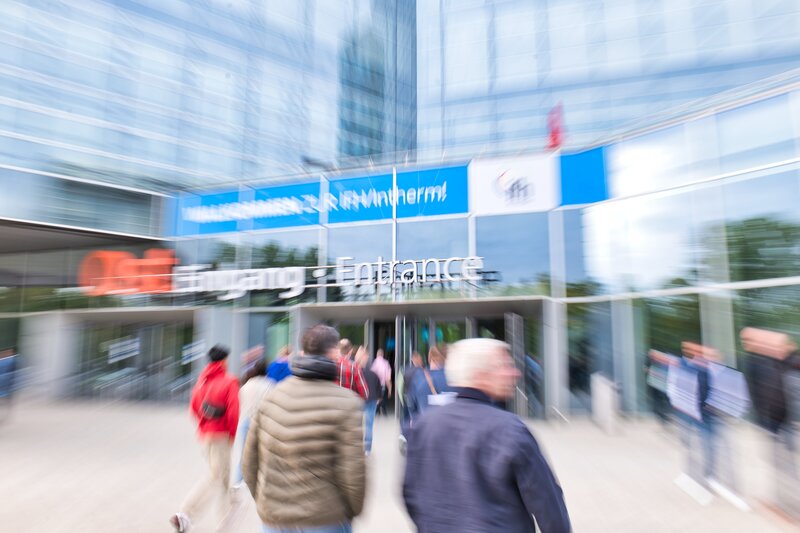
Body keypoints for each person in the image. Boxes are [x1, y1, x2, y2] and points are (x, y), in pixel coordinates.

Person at [403, 339, 571, 533]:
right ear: (480, 375)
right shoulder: (510, 430)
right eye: (505, 365)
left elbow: (410, 494)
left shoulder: (424, 425)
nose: (515, 373)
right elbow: (547, 505)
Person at [243, 324, 366, 533]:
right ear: (335, 353)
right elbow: (353, 472)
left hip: (275, 519)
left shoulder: (271, 397)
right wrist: (350, 512)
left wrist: (267, 503)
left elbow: (249, 463)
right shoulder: (347, 403)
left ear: (302, 352)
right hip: (324, 518)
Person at [171, 345, 240, 533]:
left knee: (223, 476)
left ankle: (226, 519)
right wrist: (232, 434)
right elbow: (233, 412)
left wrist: (203, 426)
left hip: (206, 436)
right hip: (221, 435)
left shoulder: (202, 381)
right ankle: (185, 513)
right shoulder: (229, 381)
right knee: (216, 475)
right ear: (224, 361)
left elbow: (194, 408)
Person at [231, 359, 273, 487]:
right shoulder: (269, 384)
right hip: (263, 422)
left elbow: (239, 403)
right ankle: (261, 480)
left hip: (245, 421)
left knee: (244, 452)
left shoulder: (246, 385)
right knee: (263, 452)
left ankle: (238, 480)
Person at [406, 346, 451, 425]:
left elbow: (412, 409)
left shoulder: (419, 378)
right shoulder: (458, 380)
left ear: (432, 360)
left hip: (427, 427)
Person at [357, 348, 382, 455]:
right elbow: (379, 388)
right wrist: (379, 398)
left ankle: (357, 446)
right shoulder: (373, 374)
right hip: (372, 400)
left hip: (359, 399)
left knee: (357, 424)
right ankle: (367, 449)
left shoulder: (356, 372)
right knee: (369, 425)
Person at [371, 348, 392, 415]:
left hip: (375, 385)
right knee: (381, 398)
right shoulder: (386, 363)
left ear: (377, 355)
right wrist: (390, 389)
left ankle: (378, 412)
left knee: (378, 399)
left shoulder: (374, 363)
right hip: (382, 385)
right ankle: (380, 411)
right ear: (383, 355)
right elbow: (388, 378)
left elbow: (372, 375)